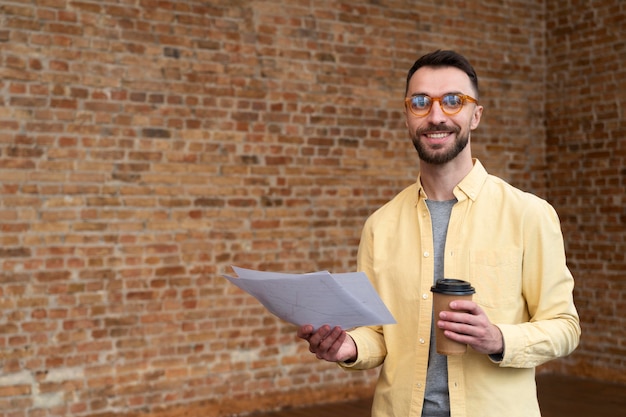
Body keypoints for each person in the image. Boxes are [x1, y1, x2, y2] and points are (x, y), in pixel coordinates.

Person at [297, 50, 581, 417]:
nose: (436, 116)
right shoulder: (380, 226)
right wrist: (348, 347)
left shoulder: (529, 214)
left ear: (475, 115)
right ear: (407, 117)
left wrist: (498, 338)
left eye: (453, 101)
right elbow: (380, 335)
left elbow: (565, 328)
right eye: (420, 102)